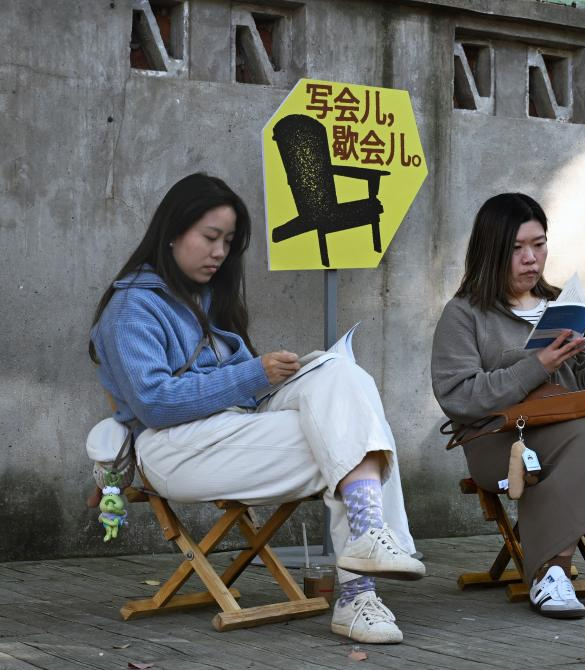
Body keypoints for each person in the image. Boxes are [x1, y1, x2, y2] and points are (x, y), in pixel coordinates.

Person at [89, 173, 424, 643]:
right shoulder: (131, 309)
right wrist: (253, 374)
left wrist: (282, 375)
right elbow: (155, 404)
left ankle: (368, 546)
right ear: (172, 233)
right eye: (211, 237)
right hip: (173, 447)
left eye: (228, 242)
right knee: (352, 434)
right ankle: (357, 595)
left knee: (340, 375)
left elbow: (243, 389)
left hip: (236, 430)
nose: (220, 252)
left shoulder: (208, 298)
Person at [430, 193, 585, 619]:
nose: (531, 258)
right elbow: (458, 396)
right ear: (491, 250)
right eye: (517, 248)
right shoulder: (465, 313)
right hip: (499, 440)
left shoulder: (564, 305)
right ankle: (551, 572)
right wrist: (536, 367)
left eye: (539, 244)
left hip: (574, 423)